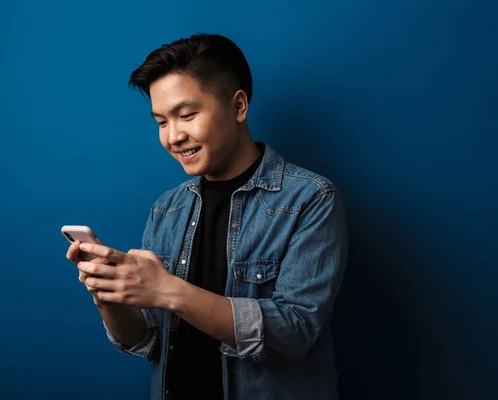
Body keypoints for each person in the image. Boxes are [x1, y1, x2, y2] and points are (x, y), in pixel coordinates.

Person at [66, 33, 348, 400]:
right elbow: (148, 340)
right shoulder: (167, 209)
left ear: (239, 106)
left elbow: (294, 333)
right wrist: (110, 296)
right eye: (161, 122)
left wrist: (169, 291)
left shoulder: (311, 199)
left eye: (186, 115)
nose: (174, 136)